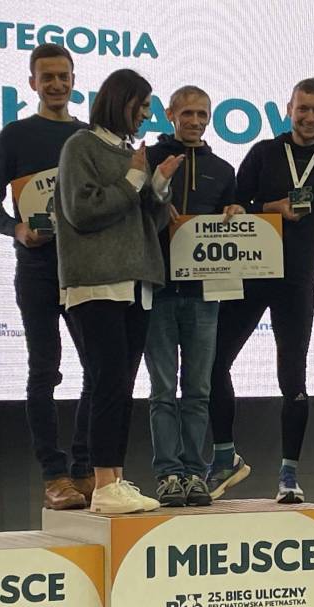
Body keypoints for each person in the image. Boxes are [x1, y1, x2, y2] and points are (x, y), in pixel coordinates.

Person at [208, 78, 314, 504]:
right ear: (289, 109)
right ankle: (224, 457)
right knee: (213, 363)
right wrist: (271, 209)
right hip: (249, 275)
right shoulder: (263, 152)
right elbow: (232, 208)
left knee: (293, 378)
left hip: (297, 283)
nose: (310, 117)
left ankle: (289, 475)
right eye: (303, 109)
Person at [54, 68, 183, 514]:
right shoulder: (81, 146)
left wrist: (158, 184)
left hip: (137, 282)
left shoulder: (131, 154)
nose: (146, 115)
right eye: (142, 105)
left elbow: (149, 219)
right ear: (121, 101)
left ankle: (115, 478)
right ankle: (102, 483)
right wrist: (133, 179)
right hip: (97, 283)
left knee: (122, 385)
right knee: (107, 382)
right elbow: (82, 210)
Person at [0, 43, 94, 511]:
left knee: (99, 369)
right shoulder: (15, 135)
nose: (56, 84)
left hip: (85, 271)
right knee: (44, 371)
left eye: (63, 76)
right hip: (36, 271)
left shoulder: (89, 136)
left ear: (74, 80)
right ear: (33, 83)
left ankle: (86, 469)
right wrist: (17, 229)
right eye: (47, 77)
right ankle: (54, 475)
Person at [144, 86, 244, 507]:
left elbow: (234, 213)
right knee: (163, 389)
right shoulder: (147, 158)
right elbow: (132, 210)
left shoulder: (222, 169)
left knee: (199, 389)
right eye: (188, 113)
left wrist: (236, 212)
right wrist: (153, 198)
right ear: (170, 113)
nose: (196, 121)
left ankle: (194, 473)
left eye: (203, 114)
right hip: (157, 290)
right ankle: (168, 473)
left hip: (205, 294)